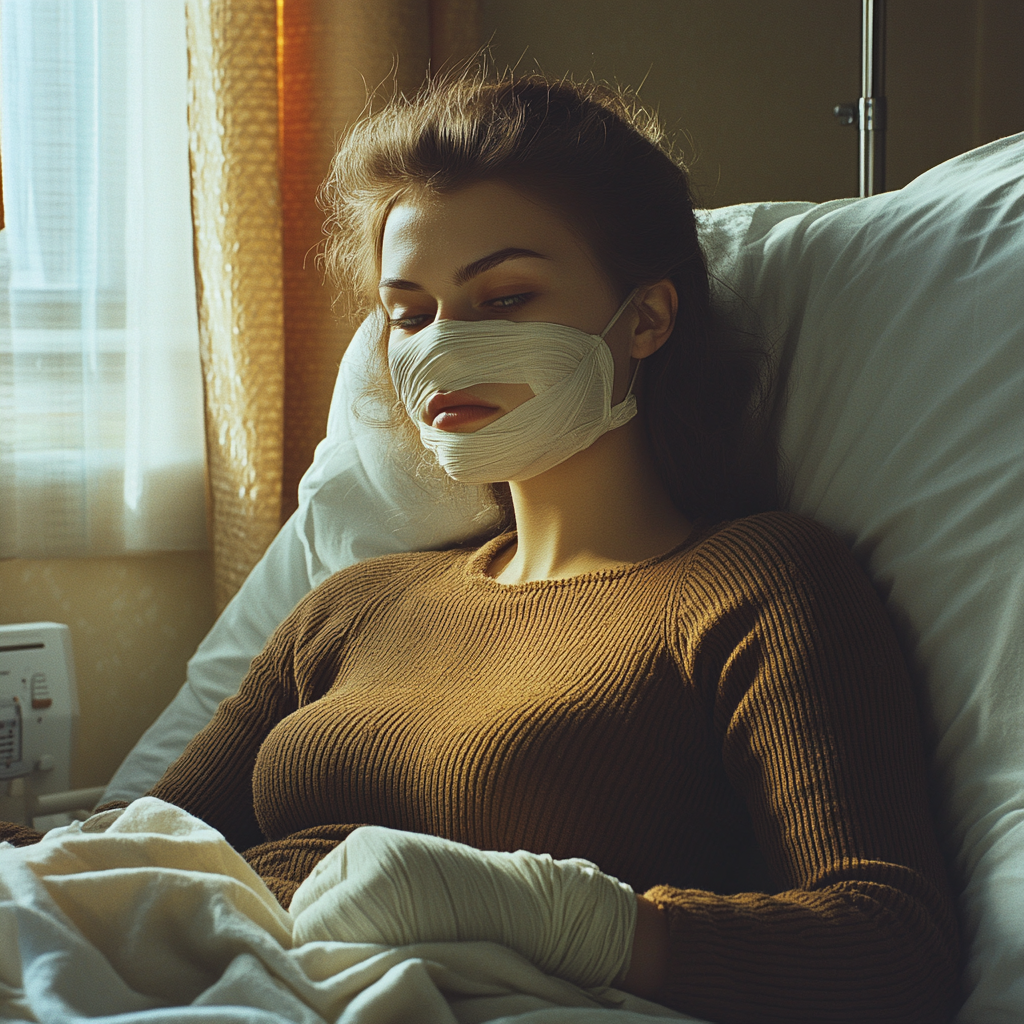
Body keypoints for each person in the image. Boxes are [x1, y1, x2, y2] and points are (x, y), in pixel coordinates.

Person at [2, 70, 960, 1023]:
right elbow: (134, 858)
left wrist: (560, 917)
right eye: (410, 313)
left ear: (648, 318)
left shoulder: (758, 584)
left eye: (503, 297)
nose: (441, 347)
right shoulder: (355, 604)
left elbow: (889, 945)